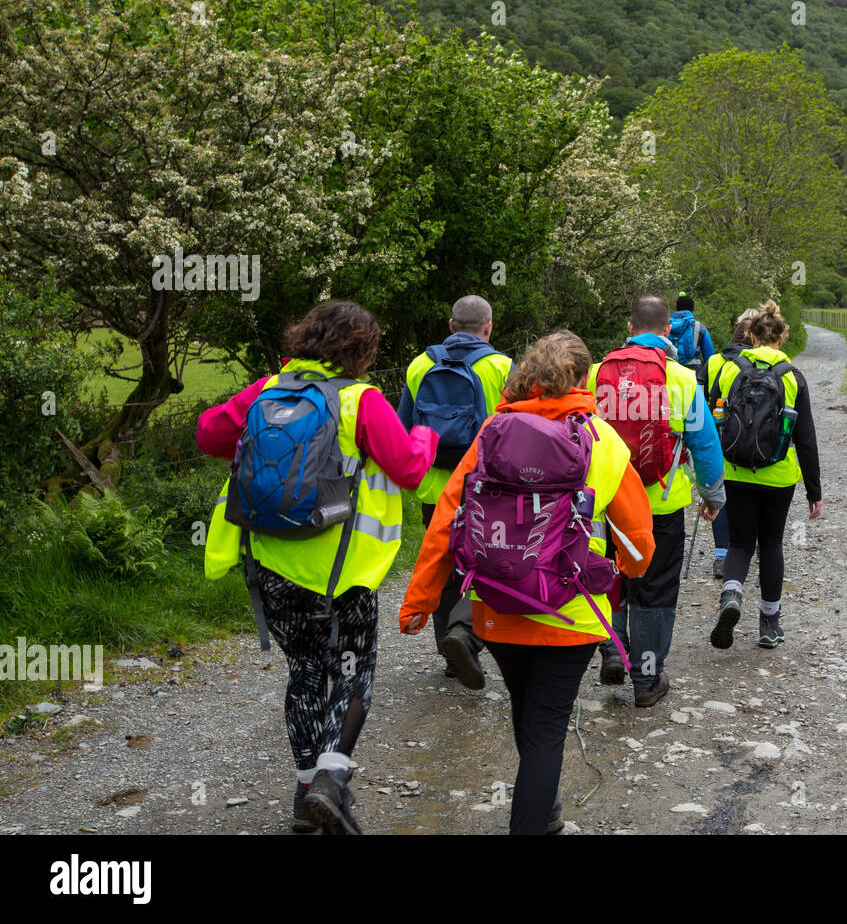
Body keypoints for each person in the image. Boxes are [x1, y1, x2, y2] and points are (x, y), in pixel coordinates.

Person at [399, 331, 656, 834]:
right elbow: (638, 538)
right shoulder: (602, 440)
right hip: (571, 611)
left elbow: (446, 519)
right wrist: (628, 572)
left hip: (497, 606)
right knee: (546, 734)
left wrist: (421, 602)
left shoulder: (494, 430)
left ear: (529, 376)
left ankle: (547, 811)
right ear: (584, 380)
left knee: (529, 717)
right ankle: (534, 820)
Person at [197, 300, 435, 835]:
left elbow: (208, 436)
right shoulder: (361, 401)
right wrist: (424, 435)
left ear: (305, 338)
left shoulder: (265, 390)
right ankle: (331, 779)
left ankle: (306, 791)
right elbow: (410, 470)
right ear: (362, 350)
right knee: (354, 674)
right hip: (342, 574)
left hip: (271, 565)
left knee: (304, 671)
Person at [588, 295, 726, 707]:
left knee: (607, 577)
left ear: (629, 329)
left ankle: (613, 648)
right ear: (668, 331)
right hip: (659, 508)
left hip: (603, 505)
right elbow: (704, 445)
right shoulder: (681, 379)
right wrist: (712, 496)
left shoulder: (595, 374)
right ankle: (647, 678)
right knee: (655, 591)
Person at [397, 295, 512, 690]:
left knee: (444, 564)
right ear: (489, 327)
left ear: (450, 325)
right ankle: (471, 639)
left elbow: (404, 425)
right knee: (486, 564)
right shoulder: (502, 367)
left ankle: (451, 655)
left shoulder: (419, 365)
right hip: (487, 485)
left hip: (435, 487)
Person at [707, 299, 822, 651]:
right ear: (782, 339)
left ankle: (731, 595)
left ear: (752, 337)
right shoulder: (793, 377)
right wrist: (813, 491)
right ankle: (769, 623)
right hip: (778, 474)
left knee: (740, 543)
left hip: (735, 470)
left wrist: (708, 481)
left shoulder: (728, 370)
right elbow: (805, 438)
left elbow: (712, 423)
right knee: (770, 543)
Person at [699, 308, 762, 579]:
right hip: (751, 438)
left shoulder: (714, 361)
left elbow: (701, 402)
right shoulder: (759, 362)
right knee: (752, 494)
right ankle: (752, 546)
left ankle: (722, 555)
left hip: (717, 436)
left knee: (719, 493)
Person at [668, 294, 715, 375]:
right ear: (692, 310)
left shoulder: (665, 327)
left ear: (676, 309)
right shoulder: (699, 327)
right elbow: (710, 359)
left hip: (669, 378)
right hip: (694, 379)